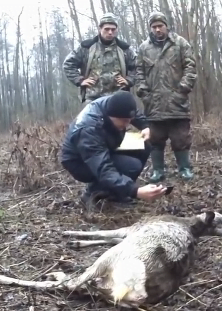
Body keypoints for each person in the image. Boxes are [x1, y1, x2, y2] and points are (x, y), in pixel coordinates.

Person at [60, 90, 168, 207]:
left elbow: (132, 112)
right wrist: (135, 191)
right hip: (78, 161)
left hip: (105, 144)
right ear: (111, 116)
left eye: (129, 121)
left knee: (145, 145)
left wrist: (145, 126)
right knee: (132, 166)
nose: (127, 124)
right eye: (124, 121)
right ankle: (93, 193)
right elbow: (103, 168)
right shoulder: (90, 129)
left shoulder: (114, 104)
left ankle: (116, 192)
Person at [134, 11, 198, 183]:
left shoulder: (180, 43)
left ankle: (184, 169)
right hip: (153, 103)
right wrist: (143, 91)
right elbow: (138, 72)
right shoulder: (143, 48)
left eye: (160, 26)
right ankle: (158, 171)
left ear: (166, 26)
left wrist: (183, 89)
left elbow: (191, 68)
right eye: (154, 27)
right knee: (155, 139)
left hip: (177, 102)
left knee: (181, 138)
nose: (157, 30)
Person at [62, 13, 137, 105]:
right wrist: (80, 80)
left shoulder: (124, 49)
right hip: (92, 98)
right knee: (90, 119)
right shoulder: (87, 47)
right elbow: (68, 64)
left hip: (118, 98)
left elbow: (138, 67)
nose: (110, 32)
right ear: (100, 29)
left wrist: (129, 80)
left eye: (113, 29)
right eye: (106, 29)